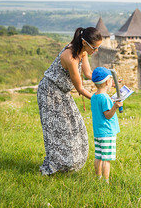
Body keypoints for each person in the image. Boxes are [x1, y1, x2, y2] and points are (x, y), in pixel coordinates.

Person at [37, 27, 102, 175]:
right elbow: (79, 88)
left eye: (98, 47)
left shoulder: (83, 51)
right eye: (95, 47)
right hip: (49, 92)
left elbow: (88, 74)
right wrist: (98, 98)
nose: (96, 51)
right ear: (84, 42)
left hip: (63, 93)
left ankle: (69, 164)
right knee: (57, 131)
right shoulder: (70, 57)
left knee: (76, 126)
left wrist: (106, 79)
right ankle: (55, 166)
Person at [90, 67, 122, 183]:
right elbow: (108, 115)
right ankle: (105, 181)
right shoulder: (105, 98)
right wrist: (115, 107)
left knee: (98, 157)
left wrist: (112, 104)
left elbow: (101, 110)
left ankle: (98, 178)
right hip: (107, 133)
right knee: (106, 160)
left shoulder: (94, 97)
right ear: (108, 82)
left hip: (98, 132)